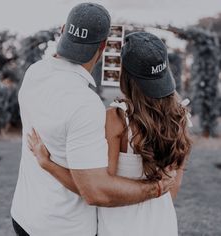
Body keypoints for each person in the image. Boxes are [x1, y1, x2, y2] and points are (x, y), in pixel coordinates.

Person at [11, 3, 175, 236]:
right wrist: (156, 188)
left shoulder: (34, 72)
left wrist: (47, 163)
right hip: (63, 227)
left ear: (63, 29)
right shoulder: (86, 105)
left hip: (25, 215)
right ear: (104, 45)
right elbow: (95, 191)